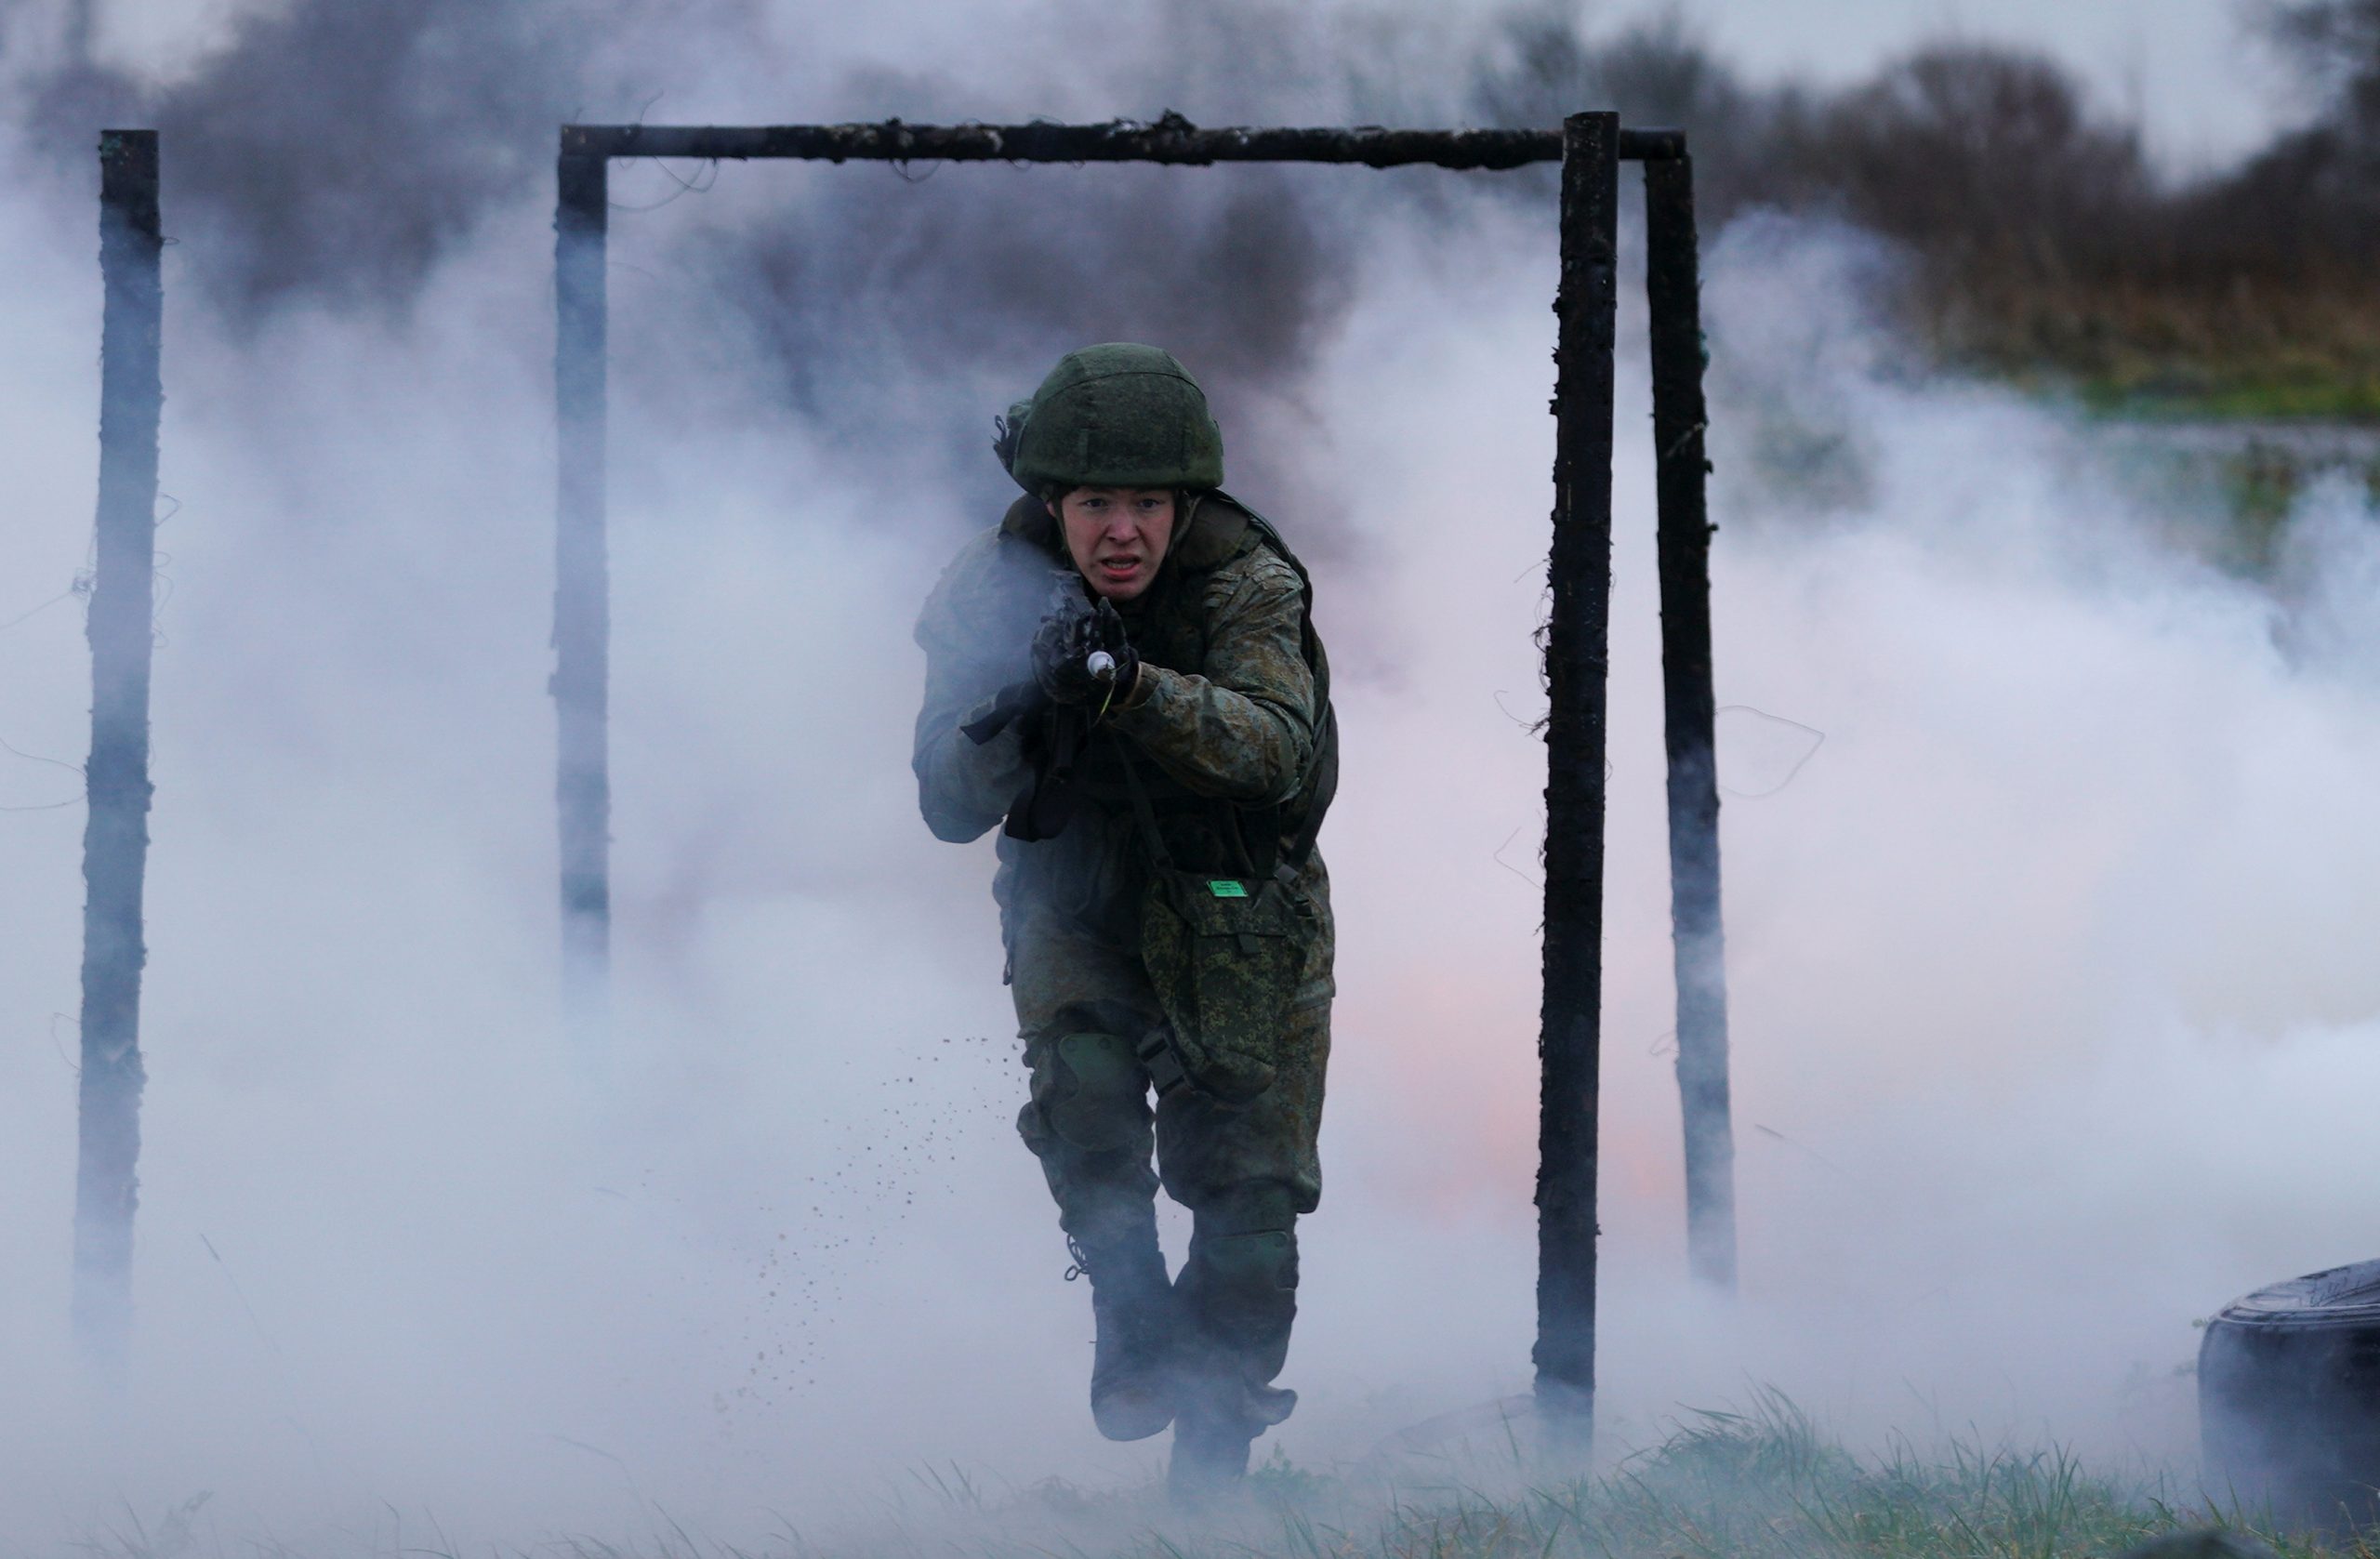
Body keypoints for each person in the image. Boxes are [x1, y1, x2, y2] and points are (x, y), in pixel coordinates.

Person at [911, 343, 1338, 1500]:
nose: (1121, 532)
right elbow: (947, 807)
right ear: (1055, 502)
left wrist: (1131, 690)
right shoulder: (993, 587)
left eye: (1147, 504)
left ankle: (1213, 1464)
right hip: (1075, 893)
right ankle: (1129, 1320)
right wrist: (1018, 710)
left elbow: (1273, 750)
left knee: (1249, 1203)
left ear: (1181, 505)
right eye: (1096, 503)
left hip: (1241, 909)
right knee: (1087, 1106)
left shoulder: (1246, 582)